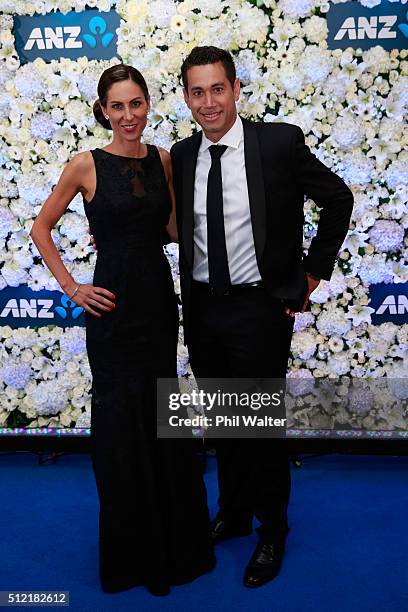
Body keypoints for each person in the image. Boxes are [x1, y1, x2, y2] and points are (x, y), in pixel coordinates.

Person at [170, 46, 354, 588]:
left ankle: (272, 529)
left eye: (217, 89)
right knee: (224, 423)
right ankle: (232, 512)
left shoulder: (278, 142)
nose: (208, 102)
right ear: (186, 97)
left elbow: (337, 199)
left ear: (236, 89)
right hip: (203, 308)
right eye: (197, 92)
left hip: (259, 309)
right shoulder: (181, 155)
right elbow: (172, 223)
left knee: (258, 429)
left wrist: (311, 274)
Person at [30, 63, 215, 597]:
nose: (129, 115)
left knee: (163, 410)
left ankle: (174, 543)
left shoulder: (162, 159)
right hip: (110, 308)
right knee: (120, 419)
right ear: (104, 110)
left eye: (137, 103)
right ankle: (132, 551)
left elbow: (178, 230)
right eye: (118, 106)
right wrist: (73, 287)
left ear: (149, 103)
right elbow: (41, 227)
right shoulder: (85, 165)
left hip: (157, 301)